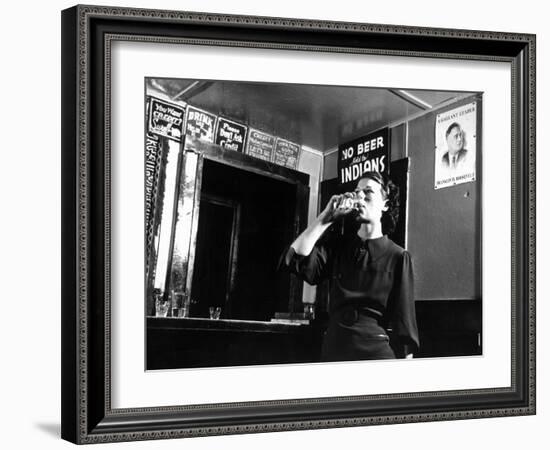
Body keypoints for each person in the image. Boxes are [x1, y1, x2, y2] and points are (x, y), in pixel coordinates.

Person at [279, 172, 419, 361]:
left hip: (376, 356)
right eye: (357, 192)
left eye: (368, 192)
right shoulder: (338, 247)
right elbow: (294, 260)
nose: (360, 196)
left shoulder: (399, 256)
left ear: (385, 204)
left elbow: (405, 329)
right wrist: (326, 216)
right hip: (335, 350)